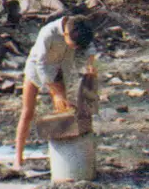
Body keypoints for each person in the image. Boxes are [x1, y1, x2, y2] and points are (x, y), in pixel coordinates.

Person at [14, 15, 97, 169]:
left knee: (63, 111)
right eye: (73, 46)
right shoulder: (47, 33)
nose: (75, 49)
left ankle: (63, 159)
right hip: (37, 69)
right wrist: (55, 92)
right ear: (65, 34)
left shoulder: (78, 25)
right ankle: (18, 160)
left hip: (59, 70)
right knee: (27, 112)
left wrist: (90, 63)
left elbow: (90, 45)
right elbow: (40, 65)